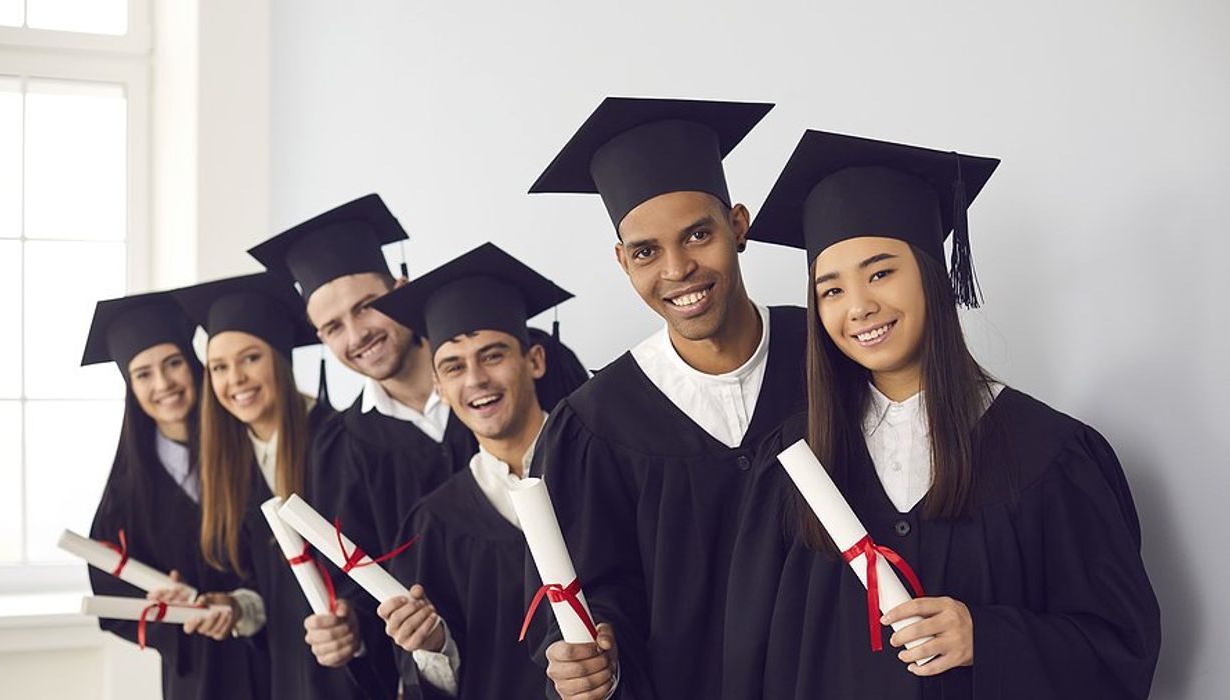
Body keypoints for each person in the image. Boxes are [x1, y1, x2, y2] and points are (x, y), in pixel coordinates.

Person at [724, 129, 1161, 698]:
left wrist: (989, 637)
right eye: (830, 290)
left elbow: (1123, 647)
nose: (859, 307)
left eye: (881, 273)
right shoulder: (794, 464)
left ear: (933, 274)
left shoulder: (1050, 453)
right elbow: (749, 662)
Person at [524, 97, 808, 699]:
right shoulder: (594, 423)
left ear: (738, 225)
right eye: (647, 252)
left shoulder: (826, 357)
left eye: (698, 234)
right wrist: (590, 663)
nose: (678, 268)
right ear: (623, 262)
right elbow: (588, 597)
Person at [248, 194, 477, 691]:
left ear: (402, 289)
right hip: (441, 677)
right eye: (332, 327)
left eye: (367, 307)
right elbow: (353, 580)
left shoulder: (498, 379)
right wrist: (348, 625)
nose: (357, 335)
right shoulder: (338, 448)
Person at [368, 242, 587, 699]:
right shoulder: (436, 522)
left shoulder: (603, 473)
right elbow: (441, 680)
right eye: (453, 367)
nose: (476, 380)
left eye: (493, 355)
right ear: (440, 388)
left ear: (535, 361)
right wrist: (431, 645)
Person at [172, 272, 386, 700]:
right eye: (219, 367)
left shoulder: (340, 441)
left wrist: (357, 625)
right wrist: (234, 606)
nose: (235, 380)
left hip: (355, 673)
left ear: (280, 359)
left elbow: (383, 558)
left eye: (250, 358)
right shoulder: (231, 464)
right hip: (282, 676)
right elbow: (256, 582)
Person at [83, 291, 267, 700]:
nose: (163, 384)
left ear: (194, 365)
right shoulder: (126, 492)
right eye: (144, 374)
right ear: (131, 387)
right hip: (197, 676)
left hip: (276, 659)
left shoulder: (252, 450)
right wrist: (166, 607)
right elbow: (111, 596)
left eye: (173, 364)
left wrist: (243, 604)